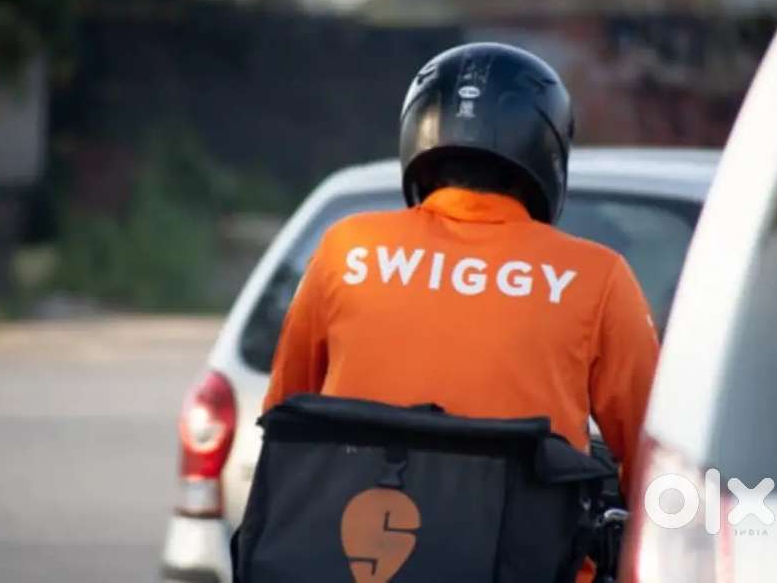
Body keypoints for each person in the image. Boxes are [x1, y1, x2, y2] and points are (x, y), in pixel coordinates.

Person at [262, 42, 659, 506]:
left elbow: (285, 423)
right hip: (529, 548)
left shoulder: (346, 249)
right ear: (547, 148)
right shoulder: (596, 278)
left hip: (350, 540)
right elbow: (655, 457)